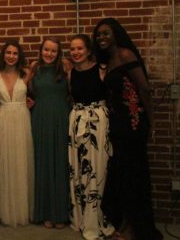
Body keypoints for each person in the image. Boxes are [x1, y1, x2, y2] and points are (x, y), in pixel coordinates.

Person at [92, 18, 163, 240]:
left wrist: (150, 123)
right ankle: (124, 224)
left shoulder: (124, 54)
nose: (101, 38)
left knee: (133, 177)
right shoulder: (110, 59)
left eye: (106, 33)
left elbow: (144, 89)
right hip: (119, 125)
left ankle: (135, 230)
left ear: (116, 34)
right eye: (98, 35)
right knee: (122, 176)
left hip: (133, 124)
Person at [67, 34, 115, 239]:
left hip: (98, 124)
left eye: (80, 48)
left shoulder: (102, 69)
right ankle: (81, 217)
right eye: (72, 49)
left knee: (97, 168)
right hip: (77, 121)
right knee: (78, 169)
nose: (76, 52)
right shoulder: (71, 73)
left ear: (88, 50)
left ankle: (97, 218)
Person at [0, 40, 34, 227]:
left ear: (19, 56)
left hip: (22, 119)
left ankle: (22, 209)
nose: (11, 56)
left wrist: (32, 101)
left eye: (15, 53)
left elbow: (35, 93)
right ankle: (6, 209)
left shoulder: (27, 74)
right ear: (3, 54)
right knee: (4, 160)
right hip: (3, 118)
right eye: (8, 52)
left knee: (21, 160)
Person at [30, 37, 71, 229]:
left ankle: (60, 213)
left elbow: (74, 91)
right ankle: (45, 212)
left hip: (61, 118)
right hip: (39, 118)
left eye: (53, 51)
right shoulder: (34, 68)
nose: (49, 54)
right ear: (41, 50)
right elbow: (27, 92)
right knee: (43, 163)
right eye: (46, 50)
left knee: (60, 162)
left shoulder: (65, 68)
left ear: (58, 52)